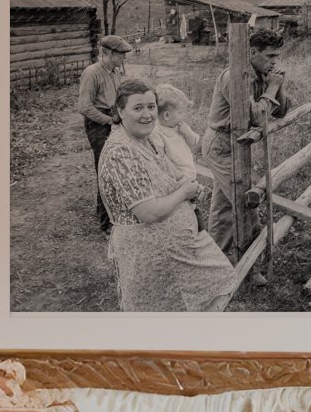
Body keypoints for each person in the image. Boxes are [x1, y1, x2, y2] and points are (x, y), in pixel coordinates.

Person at [96, 80, 238, 312]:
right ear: (120, 111)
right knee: (159, 313)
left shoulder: (149, 138)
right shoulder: (120, 152)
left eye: (151, 107)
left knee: (208, 291)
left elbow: (168, 173)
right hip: (148, 253)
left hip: (176, 245)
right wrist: (184, 192)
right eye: (138, 108)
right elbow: (149, 212)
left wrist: (185, 183)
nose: (147, 115)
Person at [199, 29, 289, 263]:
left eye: (277, 56)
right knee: (244, 203)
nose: (274, 61)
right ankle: (251, 267)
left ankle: (216, 261)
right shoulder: (236, 77)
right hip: (220, 145)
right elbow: (259, 118)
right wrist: (271, 89)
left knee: (222, 209)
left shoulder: (262, 74)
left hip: (237, 147)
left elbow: (282, 110)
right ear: (252, 52)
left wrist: (277, 85)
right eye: (270, 56)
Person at [77, 35, 132, 231]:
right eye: (120, 55)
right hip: (98, 124)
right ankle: (105, 222)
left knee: (119, 166)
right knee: (105, 170)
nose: (123, 59)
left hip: (113, 120)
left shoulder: (115, 72)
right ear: (108, 53)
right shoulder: (92, 73)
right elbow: (84, 106)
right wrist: (109, 121)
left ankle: (117, 211)